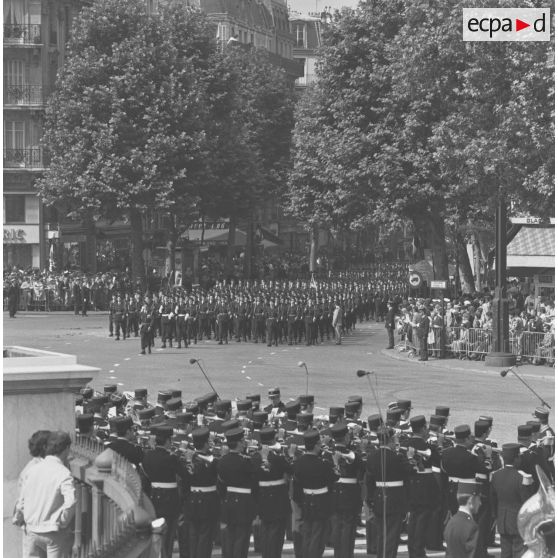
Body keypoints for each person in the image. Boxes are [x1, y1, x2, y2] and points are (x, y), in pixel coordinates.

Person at [15, 431, 76, 558]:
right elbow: (71, 501)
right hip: (52, 531)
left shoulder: (31, 470)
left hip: (31, 529)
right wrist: (62, 521)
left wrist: (22, 517)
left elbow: (22, 501)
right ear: (66, 449)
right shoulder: (63, 472)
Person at [366, 426, 414, 558]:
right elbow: (411, 472)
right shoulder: (397, 457)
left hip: (378, 498)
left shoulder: (372, 457)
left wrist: (370, 500)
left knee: (381, 535)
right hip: (395, 500)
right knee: (392, 537)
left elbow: (369, 482)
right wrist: (409, 458)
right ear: (391, 440)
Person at [142, 425, 188, 558]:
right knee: (168, 535)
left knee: (156, 533)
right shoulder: (171, 457)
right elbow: (185, 475)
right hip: (170, 500)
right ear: (168, 441)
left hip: (154, 497)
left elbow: (146, 478)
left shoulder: (148, 456)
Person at [292, 429, 338, 558]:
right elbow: (335, 476)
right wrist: (335, 462)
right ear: (317, 444)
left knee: (307, 533)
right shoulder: (323, 463)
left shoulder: (299, 462)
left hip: (306, 500)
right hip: (321, 502)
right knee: (318, 535)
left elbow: (297, 483)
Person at [216, 427, 258, 558]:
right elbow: (255, 480)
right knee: (242, 537)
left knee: (229, 537)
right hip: (244, 502)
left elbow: (221, 484)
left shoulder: (222, 461)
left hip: (228, 500)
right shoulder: (246, 461)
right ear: (239, 443)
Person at [490, 443, 535, 558]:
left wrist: (496, 516)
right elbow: (527, 503)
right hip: (517, 522)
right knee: (518, 552)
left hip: (502, 521)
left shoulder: (495, 475)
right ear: (516, 459)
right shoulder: (522, 477)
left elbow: (493, 499)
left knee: (505, 553)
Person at [443, 482, 482, 558]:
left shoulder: (451, 522)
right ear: (471, 500)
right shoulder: (472, 527)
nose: (480, 503)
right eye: (478, 498)